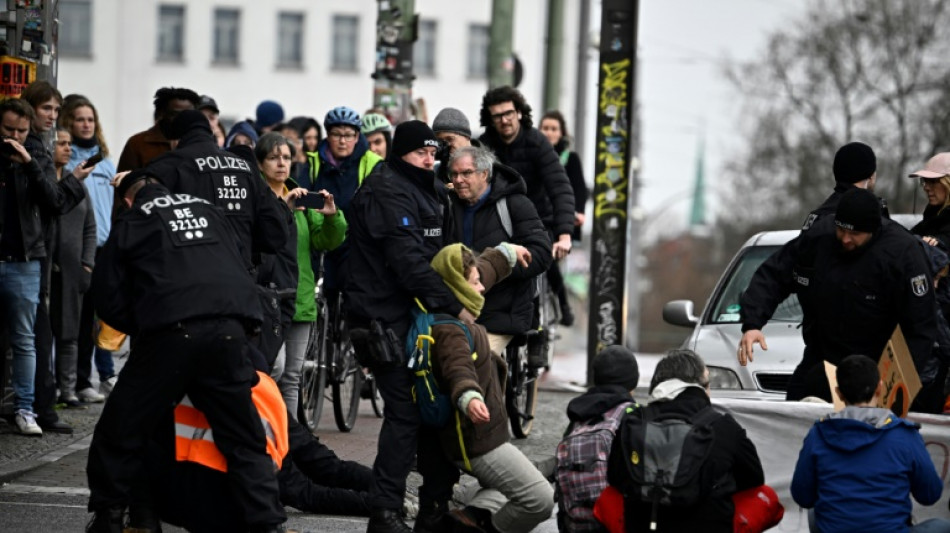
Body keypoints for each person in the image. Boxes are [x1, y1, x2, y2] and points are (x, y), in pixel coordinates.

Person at [85, 170, 287, 533]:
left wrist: (142, 323)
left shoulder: (134, 219)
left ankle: (110, 517)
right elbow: (242, 263)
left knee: (120, 427)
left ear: (128, 200)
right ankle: (268, 524)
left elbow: (107, 294)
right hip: (229, 330)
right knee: (243, 436)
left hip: (170, 332)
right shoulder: (210, 210)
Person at [345, 120, 467, 533]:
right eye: (421, 153)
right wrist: (454, 306)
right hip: (382, 319)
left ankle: (432, 505)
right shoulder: (386, 190)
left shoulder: (426, 187)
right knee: (406, 412)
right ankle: (384, 512)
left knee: (431, 407)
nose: (429, 160)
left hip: (413, 317)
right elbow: (408, 261)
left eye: (433, 153)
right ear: (401, 153)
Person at [738, 188, 938, 401]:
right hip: (823, 353)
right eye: (841, 230)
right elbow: (775, 274)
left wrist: (898, 381)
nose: (845, 239)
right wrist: (753, 323)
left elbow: (921, 325)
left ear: (873, 230)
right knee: (796, 404)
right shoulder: (820, 236)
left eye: (855, 234)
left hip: (874, 362)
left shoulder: (903, 253)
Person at [423, 243, 554, 533]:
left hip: (488, 436)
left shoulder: (459, 311)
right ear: (458, 286)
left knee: (517, 483)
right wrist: (468, 397)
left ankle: (470, 516)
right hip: (477, 442)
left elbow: (483, 271)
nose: (481, 288)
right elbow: (457, 368)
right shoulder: (449, 329)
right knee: (540, 499)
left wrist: (507, 254)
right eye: (474, 283)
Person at [0, 97, 86, 435]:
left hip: (24, 261)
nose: (15, 137)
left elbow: (54, 201)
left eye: (21, 131)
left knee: (25, 340)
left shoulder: (34, 158)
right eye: (9, 129)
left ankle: (26, 408)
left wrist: (29, 165)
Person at [609, 349, 765, 533]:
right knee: (764, 496)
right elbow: (754, 478)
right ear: (701, 387)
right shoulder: (724, 427)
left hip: (644, 526)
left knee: (609, 497)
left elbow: (614, 477)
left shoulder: (633, 423)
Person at [791, 354, 949, 533]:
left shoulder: (818, 434)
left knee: (815, 512)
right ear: (880, 388)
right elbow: (930, 495)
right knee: (942, 526)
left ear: (839, 393)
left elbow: (802, 496)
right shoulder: (904, 435)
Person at [255, 131, 346, 417]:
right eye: (273, 158)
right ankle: (264, 430)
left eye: (286, 158)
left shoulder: (303, 200)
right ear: (260, 164)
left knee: (292, 377)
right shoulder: (257, 199)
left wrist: (332, 217)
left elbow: (327, 241)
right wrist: (283, 209)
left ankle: (290, 438)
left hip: (300, 296)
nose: (281, 163)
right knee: (273, 368)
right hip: (266, 298)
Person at [445, 145, 552, 358]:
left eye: (466, 173)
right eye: (454, 174)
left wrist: (500, 265)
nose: (458, 180)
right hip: (457, 311)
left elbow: (541, 253)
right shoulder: (447, 205)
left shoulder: (514, 204)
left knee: (473, 362)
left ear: (484, 174)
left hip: (503, 313)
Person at [478, 86, 575, 268]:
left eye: (508, 113)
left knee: (543, 275)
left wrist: (564, 235)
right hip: (497, 228)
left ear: (519, 113)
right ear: (490, 119)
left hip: (537, 225)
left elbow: (560, 188)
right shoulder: (484, 145)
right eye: (497, 116)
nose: (504, 120)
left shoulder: (538, 142)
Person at [61, 95, 118, 404]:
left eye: (90, 119)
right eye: (80, 119)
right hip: (76, 249)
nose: (86, 124)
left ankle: (91, 378)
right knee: (76, 319)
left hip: (104, 248)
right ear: (69, 123)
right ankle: (73, 381)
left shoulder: (106, 163)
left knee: (98, 318)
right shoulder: (67, 162)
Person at [556, 345, 639, 532]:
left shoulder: (577, 419)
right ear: (633, 382)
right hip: (612, 524)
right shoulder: (631, 416)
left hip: (574, 525)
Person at [50, 127, 97, 409]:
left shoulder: (78, 184)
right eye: (61, 143)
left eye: (69, 144)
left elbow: (90, 227)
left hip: (73, 270)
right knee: (42, 335)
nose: (68, 148)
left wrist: (87, 264)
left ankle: (67, 391)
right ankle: (45, 390)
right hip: (46, 268)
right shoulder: (43, 181)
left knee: (70, 333)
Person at [539, 109, 588, 325]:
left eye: (553, 129)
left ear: (561, 133)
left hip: (559, 221)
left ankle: (563, 304)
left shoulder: (571, 159)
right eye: (545, 128)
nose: (549, 133)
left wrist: (579, 213)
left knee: (548, 258)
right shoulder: (534, 156)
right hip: (537, 217)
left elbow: (579, 188)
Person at [116, 86, 200, 172]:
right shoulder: (137, 143)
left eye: (188, 114)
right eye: (175, 114)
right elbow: (123, 178)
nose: (183, 119)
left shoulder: (201, 143)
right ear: (161, 113)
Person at [431, 107, 481, 184]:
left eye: (450, 139)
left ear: (467, 137)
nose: (446, 146)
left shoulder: (488, 168)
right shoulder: (435, 172)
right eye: (440, 142)